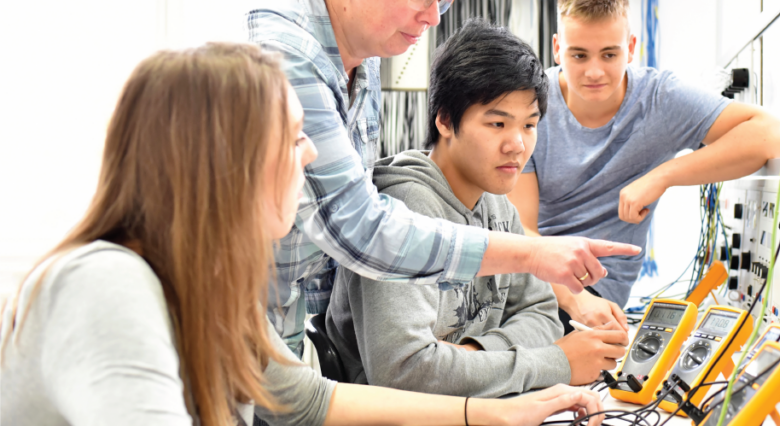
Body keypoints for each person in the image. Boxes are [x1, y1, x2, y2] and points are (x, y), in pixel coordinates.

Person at [0, 43, 604, 426]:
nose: (311, 152)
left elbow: (311, 400)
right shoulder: (109, 285)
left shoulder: (212, 286)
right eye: (292, 137)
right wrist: (533, 371)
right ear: (222, 159)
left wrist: (488, 416)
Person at [245, 0, 637, 356]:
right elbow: (359, 230)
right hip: (236, 320)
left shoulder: (364, 56)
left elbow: (536, 315)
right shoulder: (288, 57)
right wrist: (533, 256)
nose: (432, 17)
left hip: (288, 330)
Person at [326, 20, 628, 397]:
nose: (517, 145)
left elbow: (543, 315)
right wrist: (557, 363)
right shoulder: (403, 209)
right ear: (445, 120)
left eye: (530, 125)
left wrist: (471, 355)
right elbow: (405, 373)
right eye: (498, 123)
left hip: (482, 407)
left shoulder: (498, 203)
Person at [508, 0, 780, 320]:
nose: (594, 71)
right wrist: (572, 299)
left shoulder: (660, 99)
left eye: (610, 54)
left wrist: (663, 176)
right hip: (537, 277)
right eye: (579, 55)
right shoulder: (531, 106)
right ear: (557, 48)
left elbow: (775, 133)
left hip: (598, 289)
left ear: (631, 48)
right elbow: (521, 231)